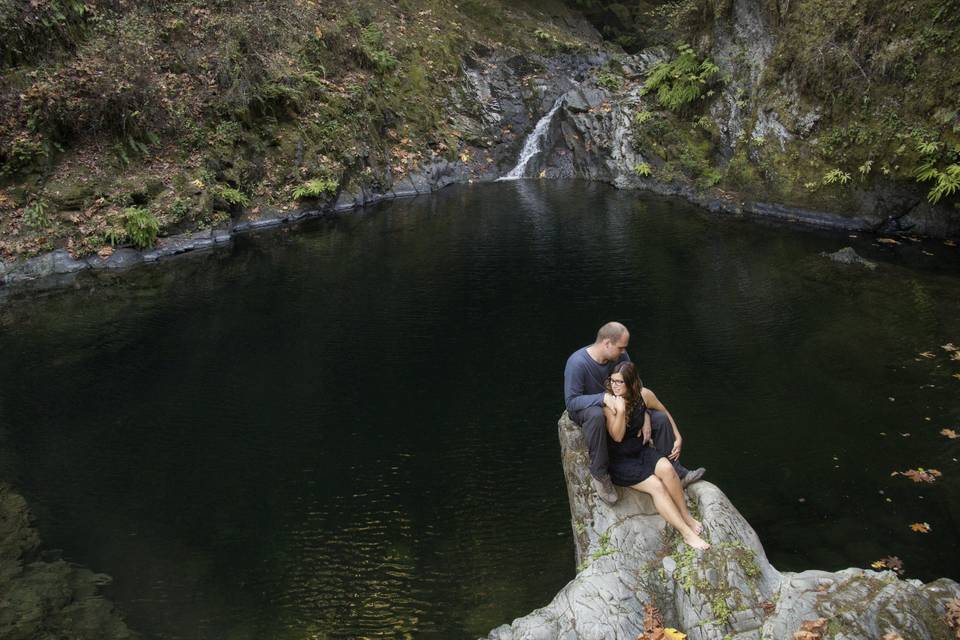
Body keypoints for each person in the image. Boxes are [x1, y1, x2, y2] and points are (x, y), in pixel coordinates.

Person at [563, 322, 704, 504]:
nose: (624, 352)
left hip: (621, 406)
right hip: (590, 409)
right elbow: (572, 402)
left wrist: (644, 414)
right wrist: (603, 398)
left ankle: (675, 470)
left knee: (659, 419)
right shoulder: (577, 363)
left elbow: (635, 385)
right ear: (607, 343)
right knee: (596, 415)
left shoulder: (620, 356)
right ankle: (600, 474)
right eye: (621, 347)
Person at [604, 362, 710, 550]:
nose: (615, 385)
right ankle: (686, 534)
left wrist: (678, 436)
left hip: (640, 450)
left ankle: (686, 516)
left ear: (631, 383)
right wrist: (620, 410)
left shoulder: (644, 394)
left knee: (668, 470)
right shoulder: (610, 403)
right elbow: (617, 435)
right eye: (613, 381)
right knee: (657, 486)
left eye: (620, 382)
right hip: (620, 460)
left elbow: (663, 411)